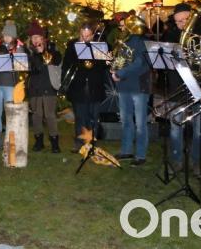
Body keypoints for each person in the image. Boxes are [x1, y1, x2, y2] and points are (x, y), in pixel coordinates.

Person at [165, 3, 201, 176]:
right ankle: (176, 161)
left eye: (184, 20)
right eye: (177, 22)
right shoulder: (172, 36)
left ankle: (197, 163)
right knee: (175, 128)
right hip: (179, 88)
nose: (181, 24)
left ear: (191, 17)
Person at [61, 22, 108, 152]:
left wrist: (103, 59)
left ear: (92, 35)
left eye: (87, 36)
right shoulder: (72, 46)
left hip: (95, 86)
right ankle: (79, 142)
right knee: (80, 116)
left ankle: (92, 142)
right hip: (78, 86)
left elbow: (105, 66)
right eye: (82, 36)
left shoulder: (99, 46)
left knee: (94, 116)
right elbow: (66, 66)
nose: (84, 39)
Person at [110, 16, 151, 166]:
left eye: (123, 26)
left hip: (139, 86)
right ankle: (126, 150)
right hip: (124, 86)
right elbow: (121, 60)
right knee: (126, 120)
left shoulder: (143, 42)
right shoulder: (124, 42)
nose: (121, 28)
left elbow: (140, 64)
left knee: (140, 123)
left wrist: (119, 73)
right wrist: (114, 66)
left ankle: (140, 154)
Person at [25, 21, 62, 153]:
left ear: (42, 38)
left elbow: (58, 60)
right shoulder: (29, 52)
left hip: (49, 85)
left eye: (37, 37)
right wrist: (36, 54)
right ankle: (39, 142)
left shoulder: (51, 48)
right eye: (33, 37)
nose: (35, 39)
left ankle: (55, 143)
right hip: (35, 87)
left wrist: (44, 53)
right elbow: (34, 69)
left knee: (50, 115)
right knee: (36, 115)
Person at [0, 21, 24, 151]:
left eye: (9, 35)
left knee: (9, 113)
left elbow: (21, 65)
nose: (6, 37)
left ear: (13, 36)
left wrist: (13, 58)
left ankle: (10, 140)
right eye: (5, 35)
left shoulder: (18, 46)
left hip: (9, 83)